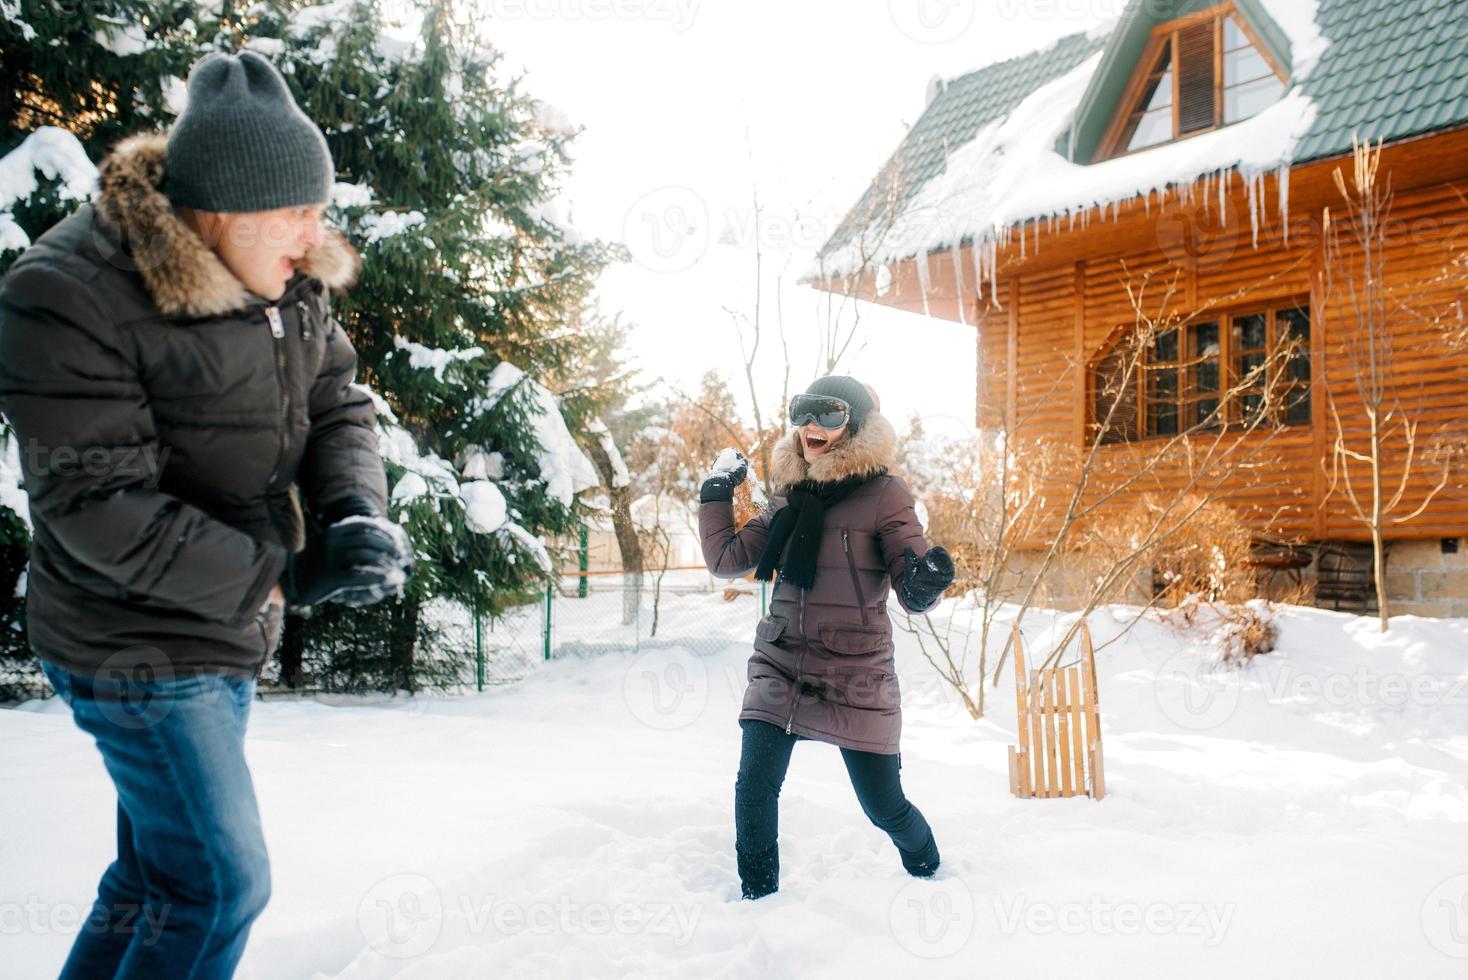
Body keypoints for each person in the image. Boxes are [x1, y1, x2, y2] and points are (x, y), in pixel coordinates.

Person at [0, 51, 411, 978]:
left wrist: (350, 513)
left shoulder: (286, 280)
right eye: (293, 216)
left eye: (317, 211)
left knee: (157, 882)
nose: (313, 239)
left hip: (224, 625)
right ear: (215, 214)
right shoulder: (68, 292)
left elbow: (338, 398)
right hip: (129, 633)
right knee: (219, 884)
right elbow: (93, 504)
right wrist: (280, 576)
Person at [698, 375, 955, 900]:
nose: (812, 426)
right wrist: (715, 493)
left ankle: (929, 866)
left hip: (855, 671)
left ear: (855, 426)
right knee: (754, 787)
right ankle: (759, 901)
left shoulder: (886, 494)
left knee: (883, 805)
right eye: (803, 413)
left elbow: (910, 583)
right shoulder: (789, 497)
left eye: (830, 415)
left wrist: (925, 580)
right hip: (782, 660)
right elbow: (726, 560)